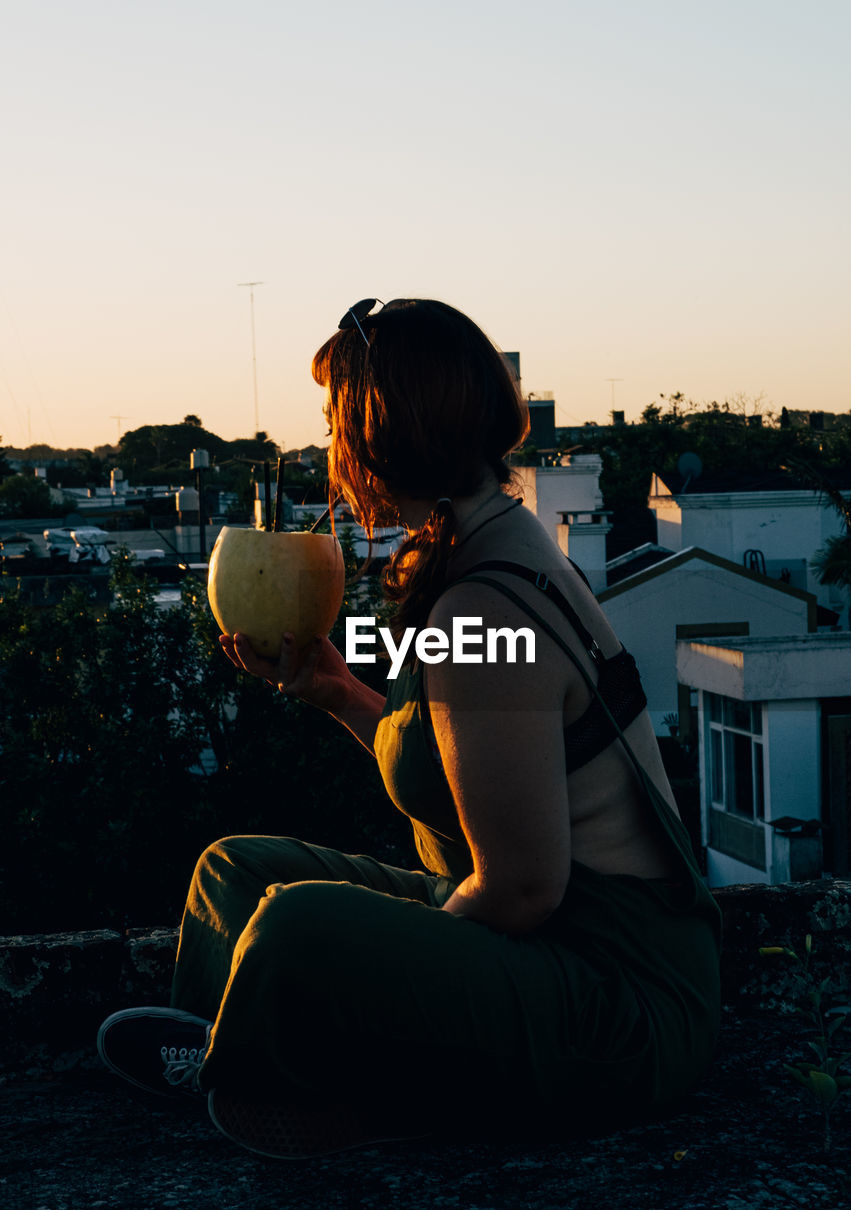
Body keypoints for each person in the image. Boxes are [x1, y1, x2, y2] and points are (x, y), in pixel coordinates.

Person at [97, 298, 721, 1160]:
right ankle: (230, 1059)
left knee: (296, 928)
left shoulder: (480, 605)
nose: (326, 449)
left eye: (332, 423)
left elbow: (520, 890)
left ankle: (269, 1072)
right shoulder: (492, 547)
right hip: (551, 945)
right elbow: (459, 764)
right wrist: (338, 695)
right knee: (233, 872)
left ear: (378, 433)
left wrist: (397, 969)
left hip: (611, 996)